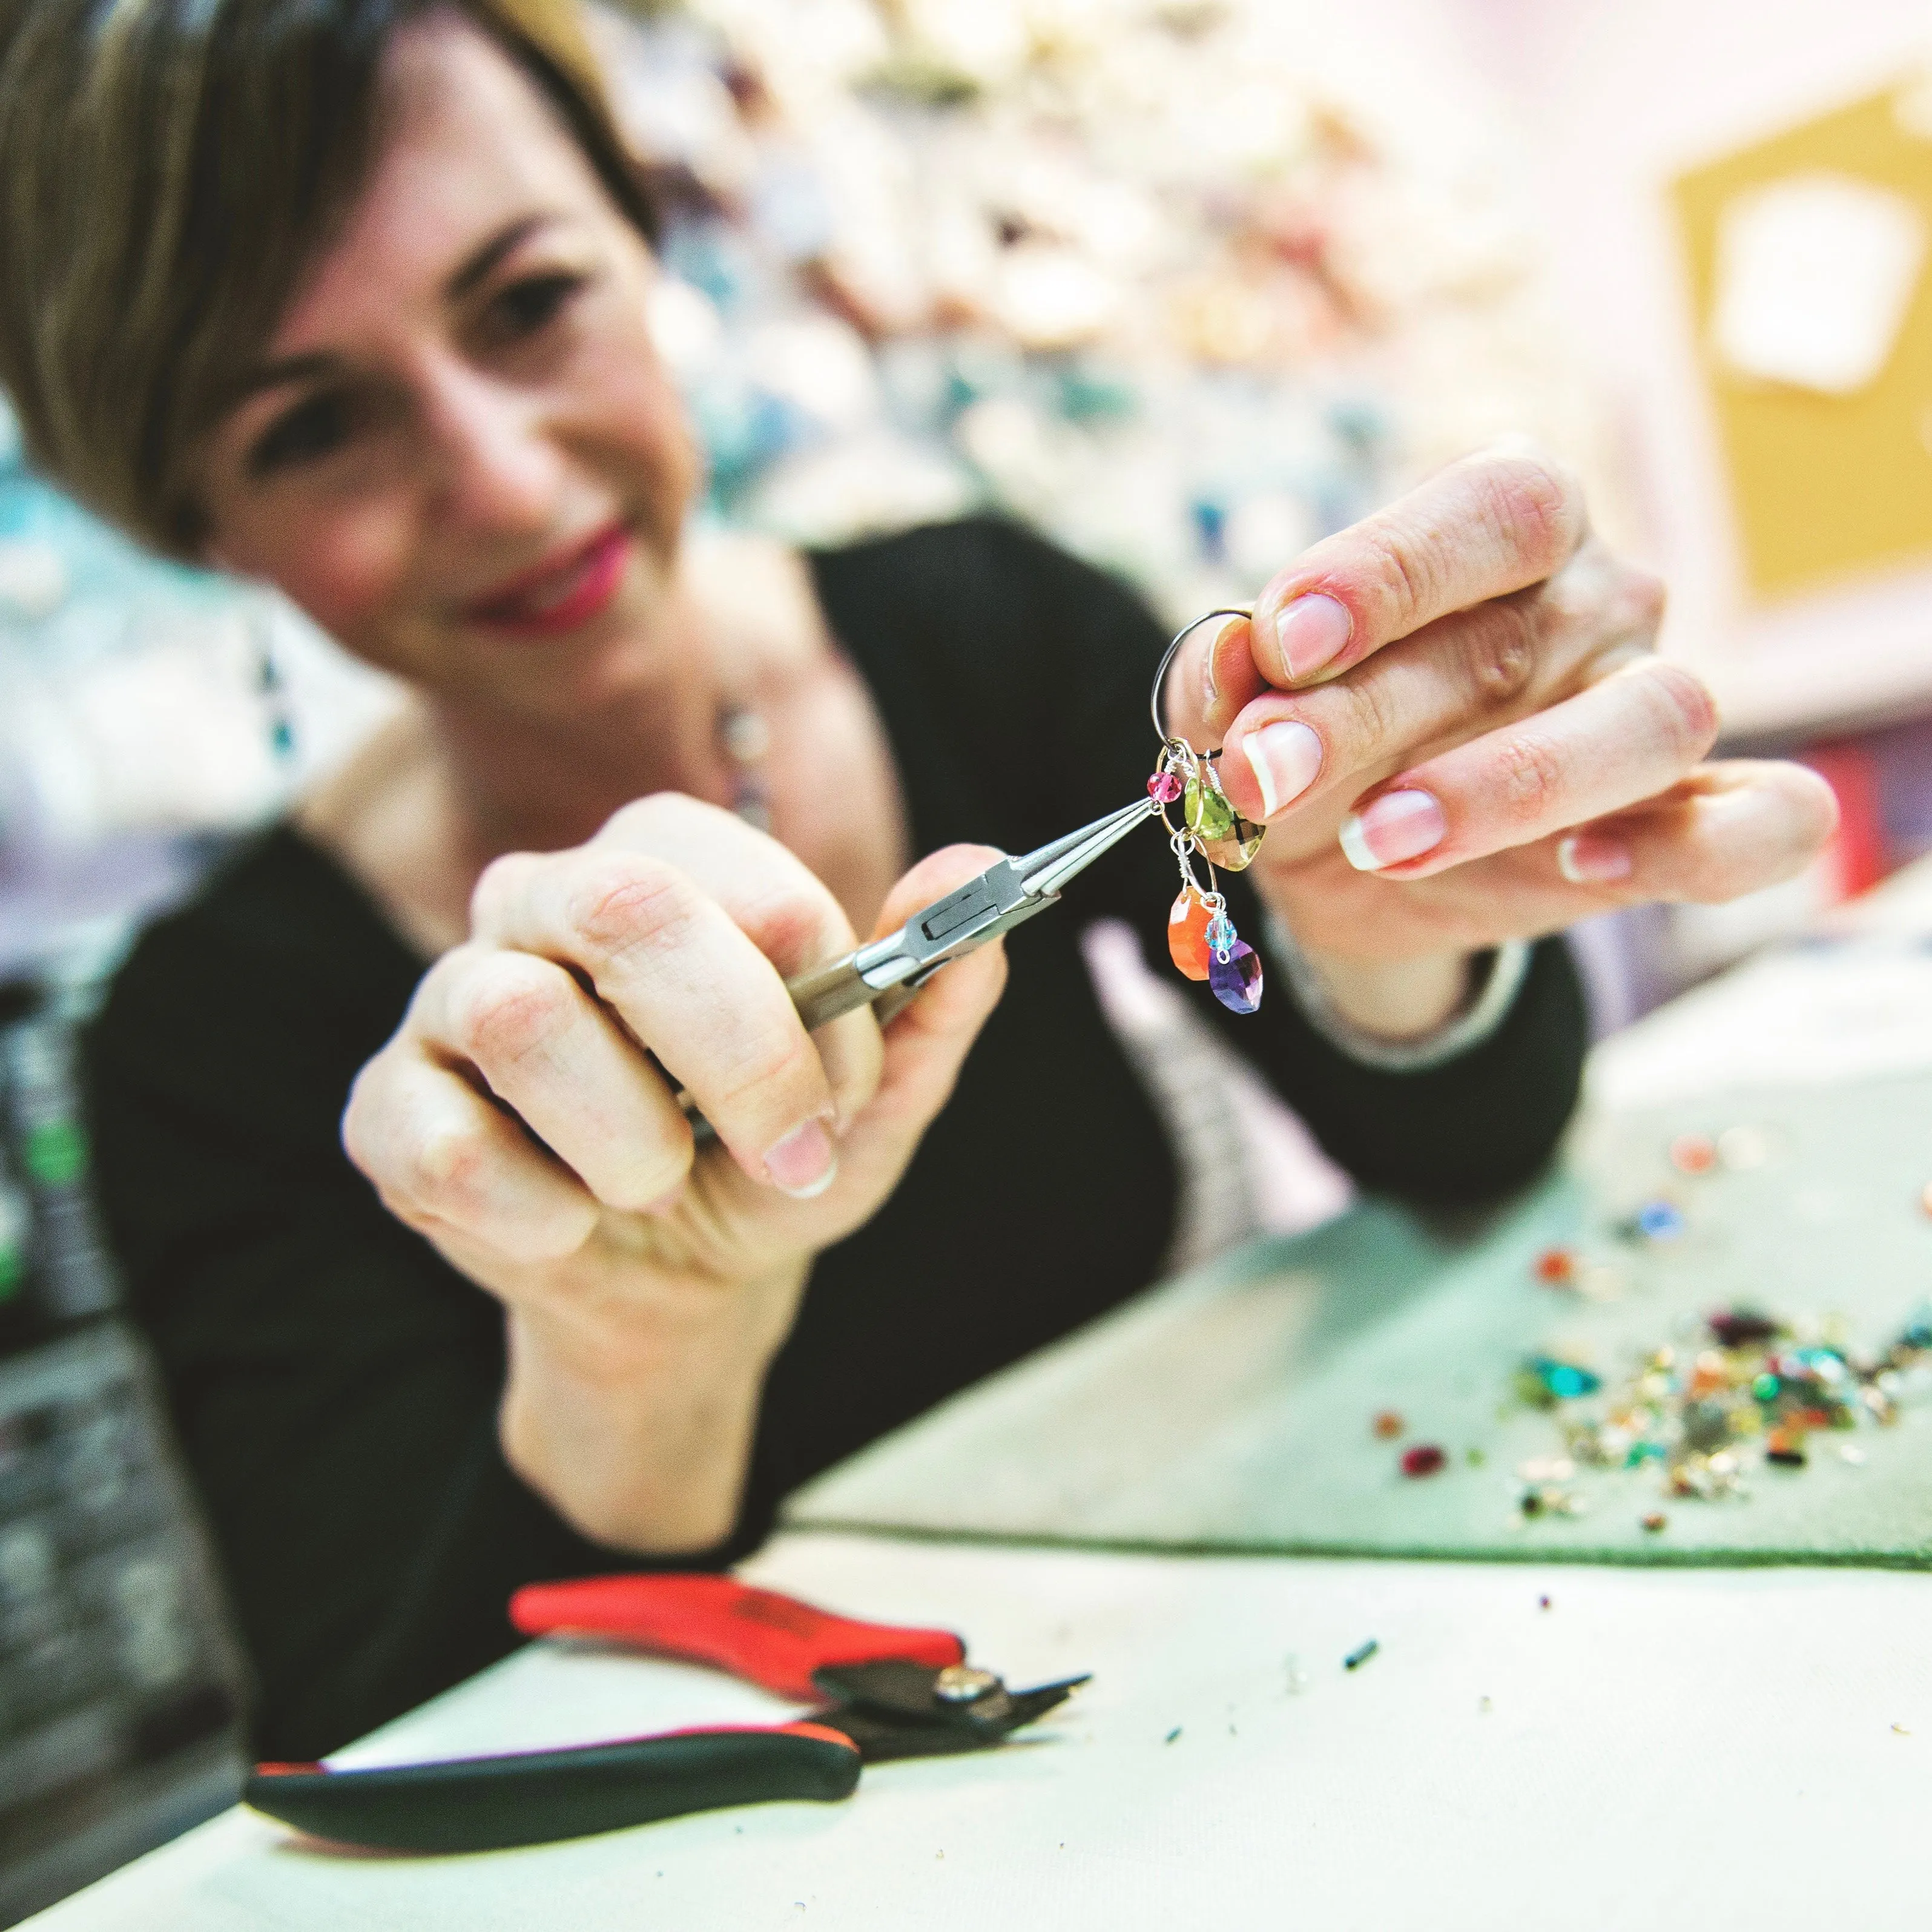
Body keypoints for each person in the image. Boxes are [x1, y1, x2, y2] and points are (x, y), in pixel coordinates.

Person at [0, 0, 1833, 1758]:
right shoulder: (201, 1040)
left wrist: (1385, 950)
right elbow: (370, 1736)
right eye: (307, 427)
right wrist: (635, 1351)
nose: (498, 478)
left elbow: (1461, 1153)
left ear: (645, 249)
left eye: (532, 301)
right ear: (193, 523)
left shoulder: (988, 629)